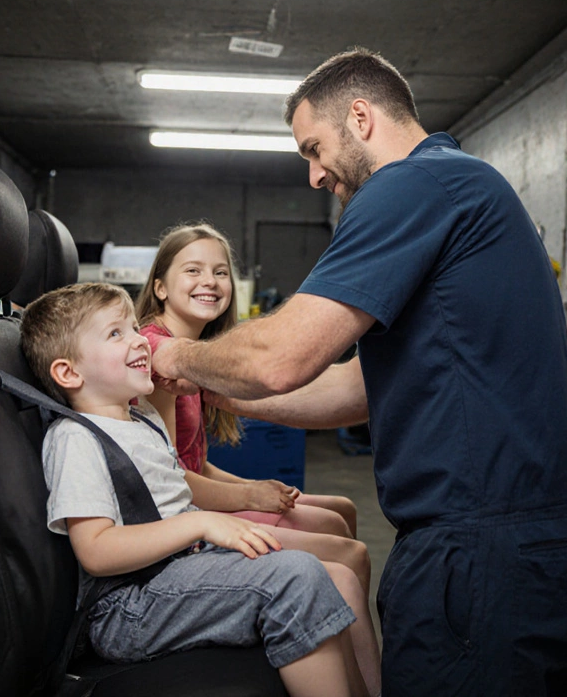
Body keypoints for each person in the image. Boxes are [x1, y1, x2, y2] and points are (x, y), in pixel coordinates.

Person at [150, 47, 567, 697]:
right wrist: (215, 389)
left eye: (315, 149)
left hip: (478, 544)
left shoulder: (411, 186)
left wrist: (175, 357)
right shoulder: (457, 186)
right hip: (504, 536)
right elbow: (354, 390)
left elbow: (282, 356)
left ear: (361, 115)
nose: (316, 175)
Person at [20, 281, 376, 697]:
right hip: (128, 606)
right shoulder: (75, 439)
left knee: (330, 573)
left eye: (135, 328)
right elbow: (96, 551)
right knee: (298, 576)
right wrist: (201, 525)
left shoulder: (142, 416)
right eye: (116, 334)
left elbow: (178, 485)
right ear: (68, 372)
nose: (140, 341)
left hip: (176, 571)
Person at [134, 223, 373, 596]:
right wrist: (250, 496)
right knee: (349, 552)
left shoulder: (195, 355)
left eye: (220, 272)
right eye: (193, 270)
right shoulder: (160, 356)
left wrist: (257, 487)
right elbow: (172, 478)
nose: (209, 281)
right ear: (160, 287)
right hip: (180, 516)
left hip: (194, 497)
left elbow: (196, 462)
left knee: (343, 510)